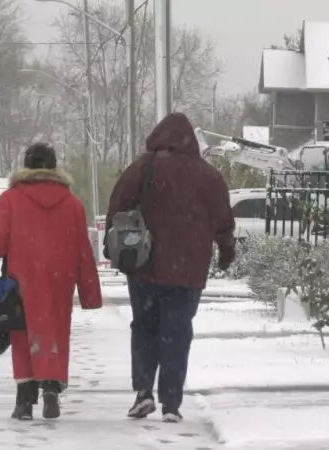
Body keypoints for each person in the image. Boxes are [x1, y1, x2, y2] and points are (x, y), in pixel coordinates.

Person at [105, 113, 235, 423]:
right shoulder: (209, 176)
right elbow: (223, 220)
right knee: (177, 332)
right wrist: (226, 250)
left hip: (145, 265)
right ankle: (172, 404)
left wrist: (117, 241)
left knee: (145, 327)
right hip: (188, 271)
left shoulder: (144, 167)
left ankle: (143, 392)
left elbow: (117, 205)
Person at [0, 142, 103, 421]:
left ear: (26, 167)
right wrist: (89, 292)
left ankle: (24, 401)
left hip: (21, 276)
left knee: (22, 333)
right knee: (54, 331)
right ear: (54, 168)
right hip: (59, 278)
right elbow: (83, 251)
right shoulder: (73, 204)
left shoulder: (10, 199)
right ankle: (51, 391)